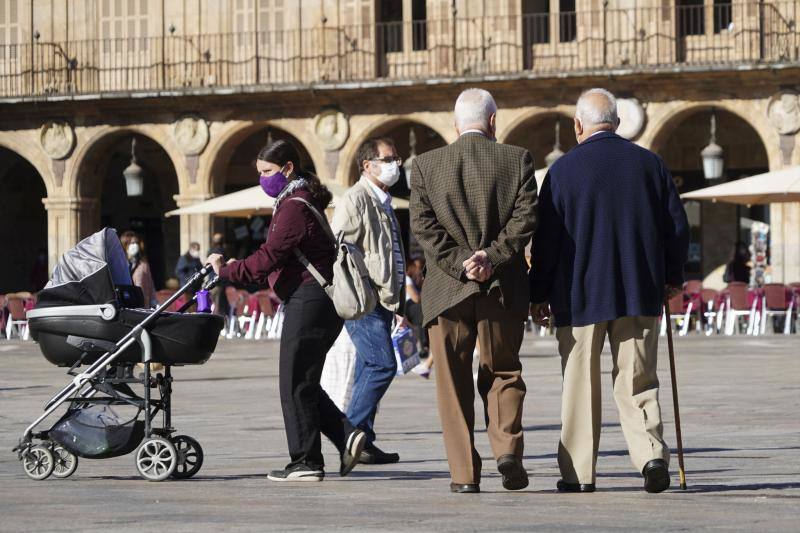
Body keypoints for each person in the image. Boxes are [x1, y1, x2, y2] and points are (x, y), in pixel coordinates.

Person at [529, 88, 690, 494]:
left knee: (580, 384)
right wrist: (672, 276)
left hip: (578, 295)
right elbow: (676, 229)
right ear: (616, 123)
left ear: (578, 125)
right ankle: (651, 456)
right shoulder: (650, 165)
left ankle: (579, 474)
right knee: (638, 380)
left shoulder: (562, 172)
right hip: (639, 290)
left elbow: (546, 241)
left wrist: (538, 292)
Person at [208, 140, 365, 482]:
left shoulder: (293, 207)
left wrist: (224, 271)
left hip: (309, 300)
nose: (262, 179)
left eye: (267, 172)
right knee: (303, 380)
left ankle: (306, 461)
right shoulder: (300, 201)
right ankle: (346, 435)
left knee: (293, 382)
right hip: (316, 301)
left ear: (288, 168)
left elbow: (267, 259)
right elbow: (273, 256)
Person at [410, 88, 537, 494]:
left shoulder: (427, 165)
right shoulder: (516, 159)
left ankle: (464, 475)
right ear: (493, 121)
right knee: (502, 370)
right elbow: (525, 220)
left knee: (452, 383)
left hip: (447, 292)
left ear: (455, 124)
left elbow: (424, 227)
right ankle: (507, 450)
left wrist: (462, 262)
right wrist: (490, 258)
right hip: (501, 288)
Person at [331, 136, 406, 465]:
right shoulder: (355, 198)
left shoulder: (383, 200)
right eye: (388, 159)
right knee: (382, 365)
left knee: (366, 368)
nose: (395, 165)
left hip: (384, 299)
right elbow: (339, 247)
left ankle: (364, 440)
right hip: (364, 299)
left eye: (396, 158)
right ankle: (348, 432)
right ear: (367, 165)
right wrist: (362, 285)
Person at [119, 230, 157, 308]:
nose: (136, 245)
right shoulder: (120, 263)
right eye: (132, 243)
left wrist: (154, 301)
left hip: (143, 305)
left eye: (137, 243)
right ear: (125, 245)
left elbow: (151, 284)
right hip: (127, 305)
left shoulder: (143, 264)